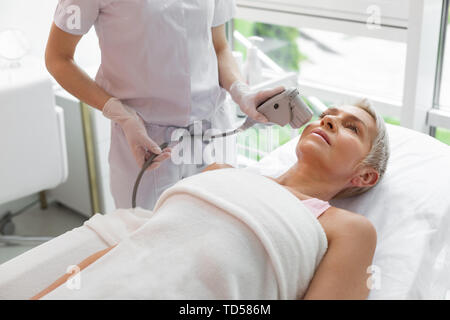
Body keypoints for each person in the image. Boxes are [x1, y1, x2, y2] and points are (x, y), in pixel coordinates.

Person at [31, 99, 390, 300]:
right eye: (328, 115)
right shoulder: (221, 171)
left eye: (351, 127)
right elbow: (134, 245)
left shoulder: (348, 228)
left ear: (364, 175)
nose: (328, 121)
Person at [45, 0, 284, 210]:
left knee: (220, 230)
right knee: (147, 242)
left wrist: (241, 92)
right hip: (146, 141)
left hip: (213, 132)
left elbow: (219, 46)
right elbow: (58, 58)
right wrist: (122, 115)